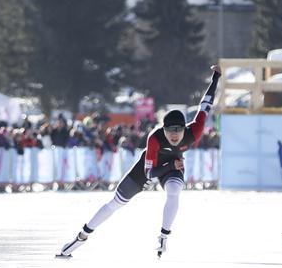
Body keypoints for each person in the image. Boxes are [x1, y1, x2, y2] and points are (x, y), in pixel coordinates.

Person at [57, 65, 222, 260]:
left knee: (174, 191)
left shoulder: (194, 129)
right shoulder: (155, 138)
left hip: (171, 168)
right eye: (171, 131)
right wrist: (170, 165)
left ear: (185, 129)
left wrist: (216, 78)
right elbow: (150, 174)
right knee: (115, 204)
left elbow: (206, 103)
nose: (175, 135)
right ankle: (79, 238)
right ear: (164, 129)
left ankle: (163, 236)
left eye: (179, 130)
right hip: (149, 168)